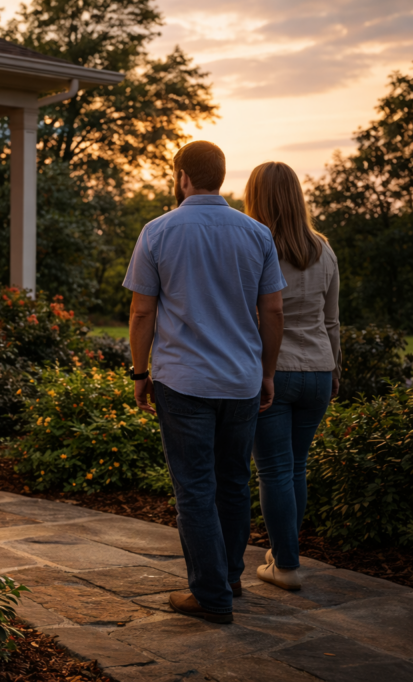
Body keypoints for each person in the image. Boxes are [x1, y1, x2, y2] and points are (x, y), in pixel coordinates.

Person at [123, 141, 286, 624]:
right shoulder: (257, 234)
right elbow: (274, 310)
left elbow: (141, 310)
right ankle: (229, 577)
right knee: (234, 483)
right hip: (240, 381)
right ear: (220, 175)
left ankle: (211, 595)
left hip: (183, 382)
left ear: (181, 177)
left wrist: (138, 372)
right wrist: (268, 373)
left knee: (194, 488)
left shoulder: (158, 232)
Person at [245, 162, 340, 591]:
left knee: (275, 471)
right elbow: (332, 320)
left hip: (273, 371)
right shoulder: (323, 248)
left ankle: (285, 565)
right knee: (295, 467)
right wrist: (334, 369)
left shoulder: (253, 246)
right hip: (319, 369)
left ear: (255, 197)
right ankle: (285, 551)